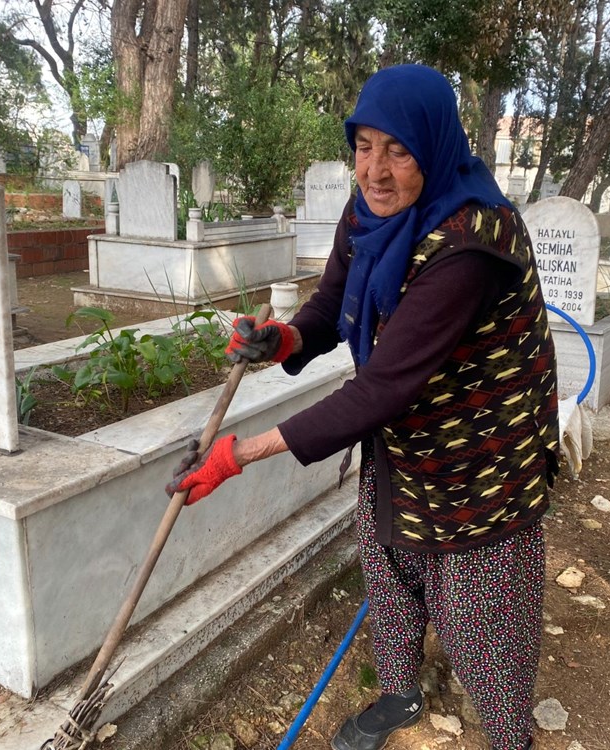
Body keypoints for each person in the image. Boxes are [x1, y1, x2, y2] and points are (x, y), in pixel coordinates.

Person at [167, 64, 559, 750]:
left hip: (482, 466)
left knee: (478, 623)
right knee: (389, 568)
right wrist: (282, 339)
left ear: (433, 148)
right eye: (363, 145)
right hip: (405, 447)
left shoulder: (470, 243)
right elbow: (329, 308)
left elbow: (383, 387)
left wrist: (241, 454)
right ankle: (402, 695)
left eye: (398, 149)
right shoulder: (368, 209)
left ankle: (510, 739)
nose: (375, 170)